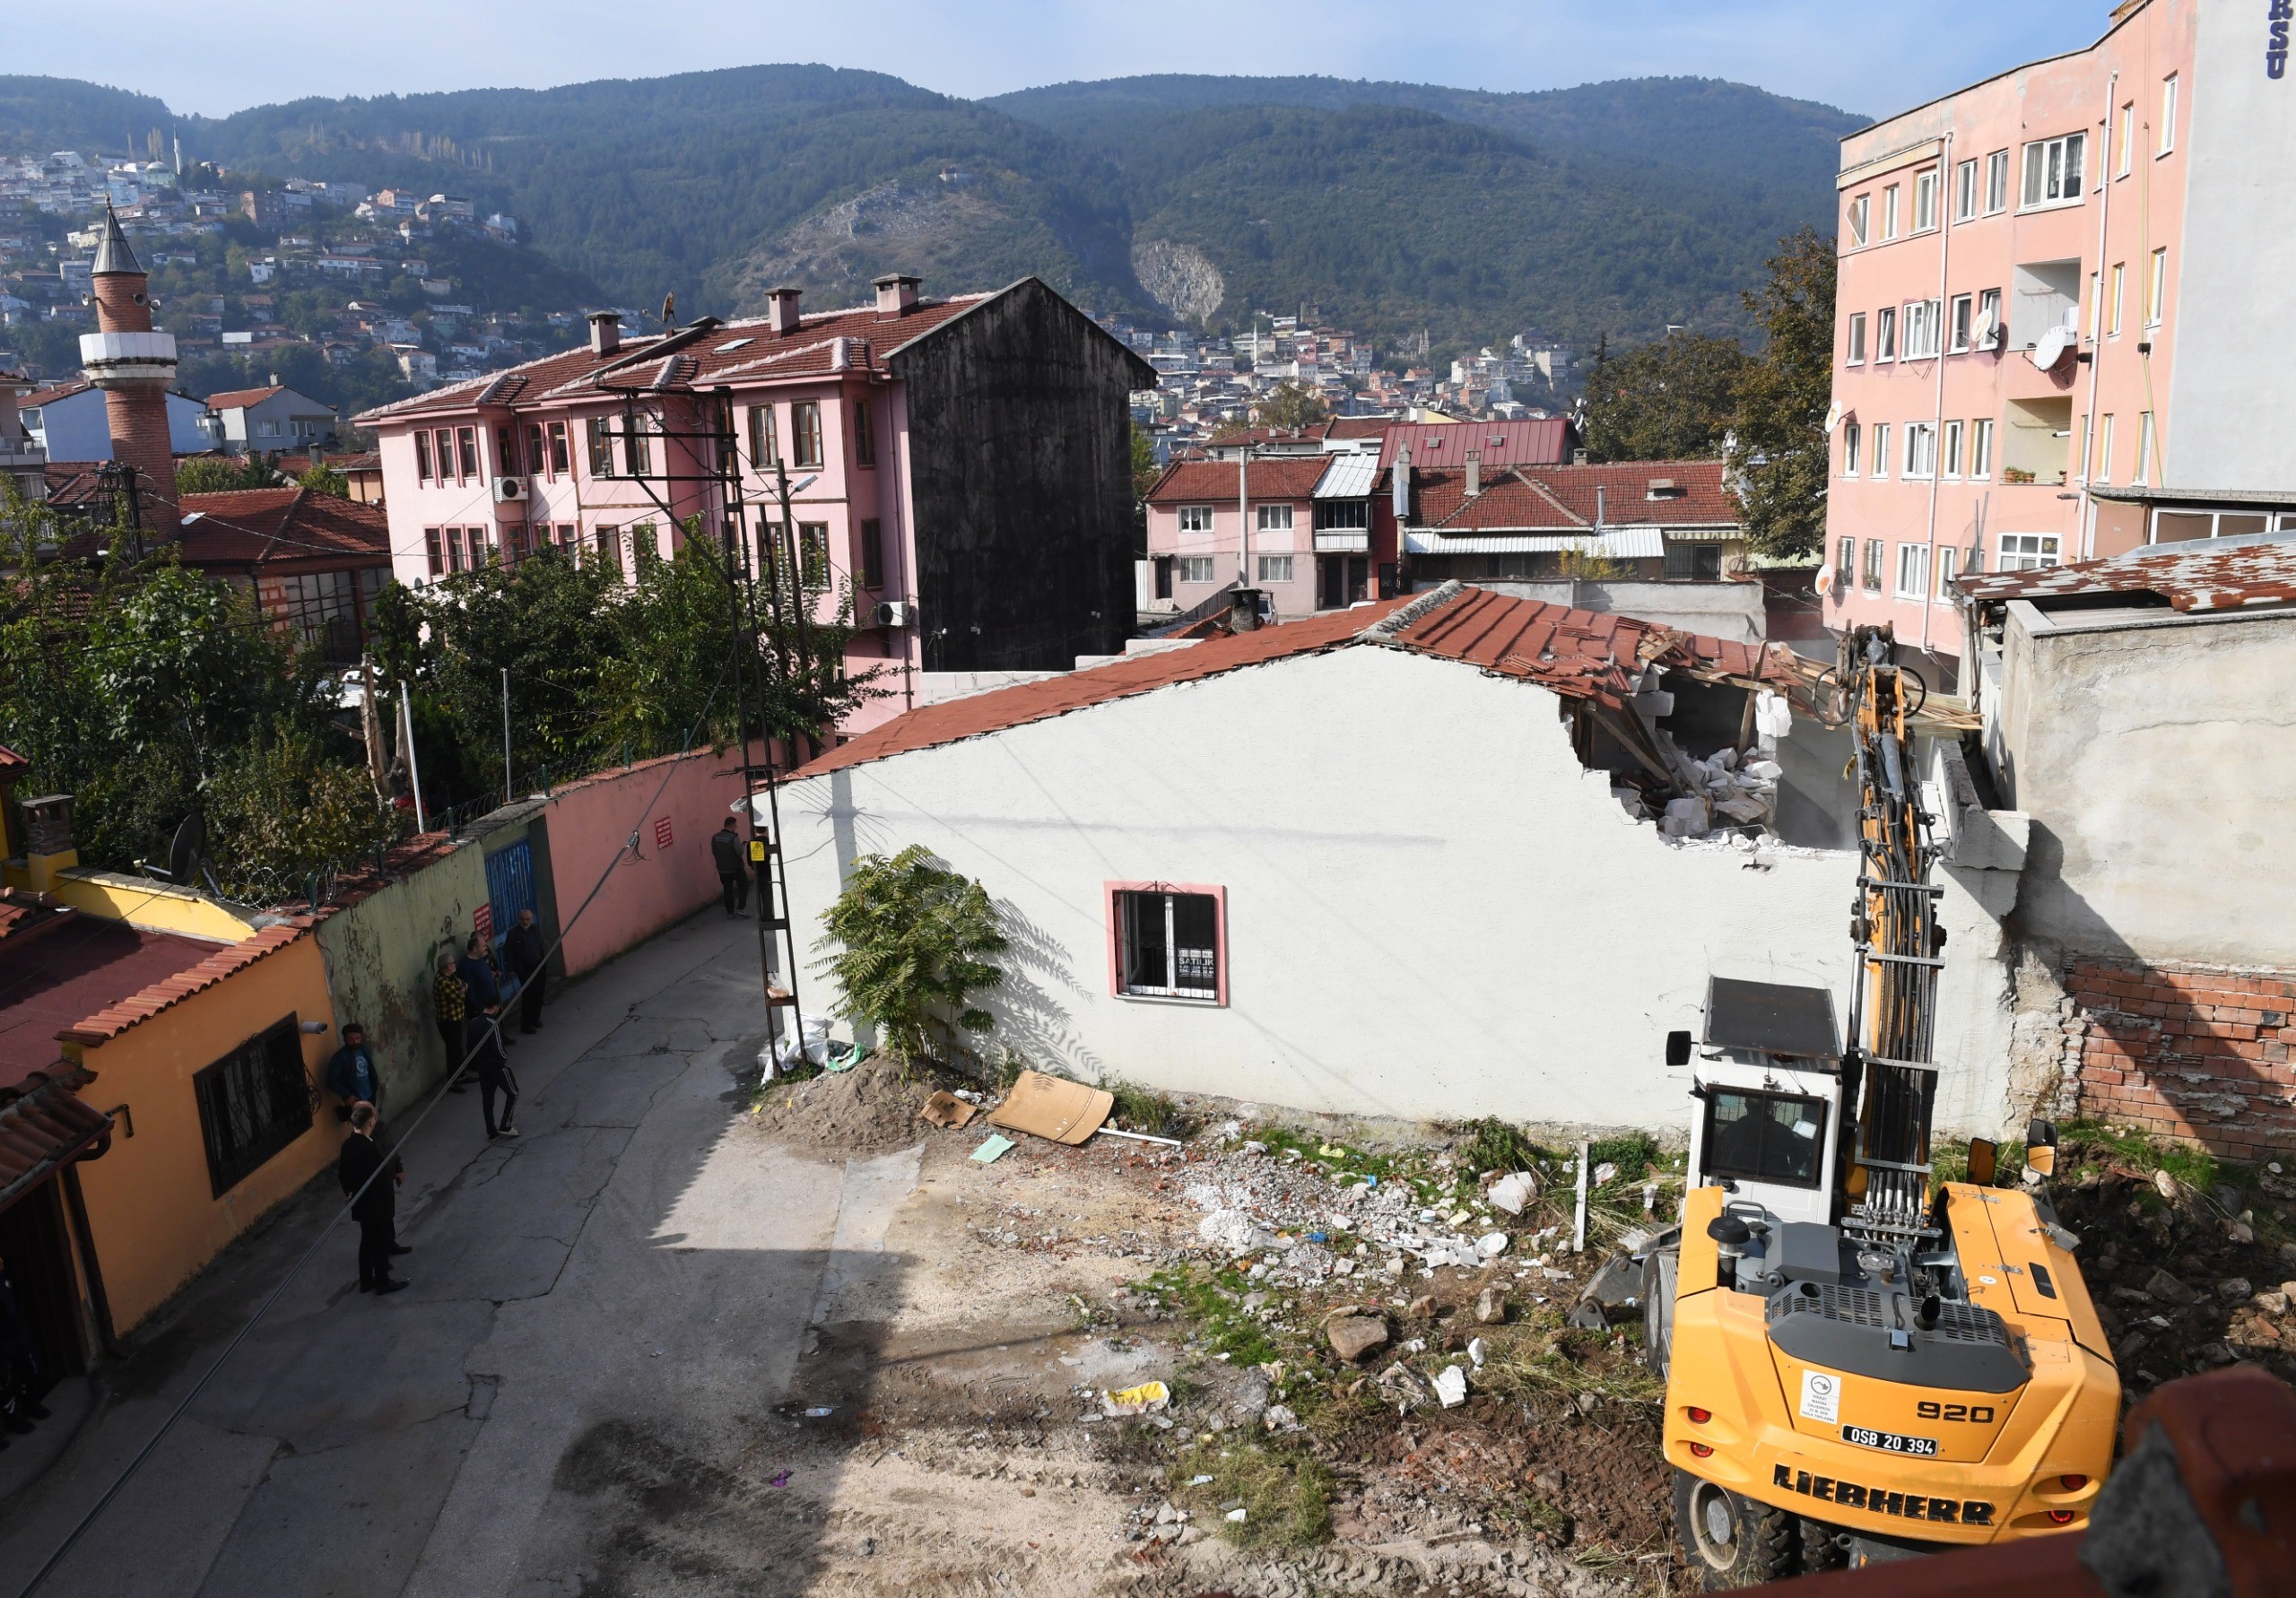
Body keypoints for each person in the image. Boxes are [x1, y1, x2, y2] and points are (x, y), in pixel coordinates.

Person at [338, 1103, 408, 1294]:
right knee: (380, 1241)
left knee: (367, 1241)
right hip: (375, 1204)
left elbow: (343, 1174)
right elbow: (378, 1179)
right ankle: (383, 1282)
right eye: (374, 1117)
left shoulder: (348, 1145)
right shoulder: (369, 1149)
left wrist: (349, 1192)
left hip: (362, 1204)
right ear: (370, 1122)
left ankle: (366, 1280)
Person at [0, 1253, 47, 1444]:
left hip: (18, 1330)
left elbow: (17, 1296)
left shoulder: (6, 1274)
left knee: (31, 1367)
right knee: (4, 1381)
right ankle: (13, 1419)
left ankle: (31, 1404)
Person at [470, 1007, 520, 1141]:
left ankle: (491, 1131)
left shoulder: (473, 1023)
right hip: (496, 1066)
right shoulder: (493, 1024)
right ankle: (506, 1125)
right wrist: (503, 1059)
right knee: (513, 1092)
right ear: (496, 1006)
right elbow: (499, 1048)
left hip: (482, 1066)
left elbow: (470, 1046)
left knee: (487, 1098)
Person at [459, 932, 514, 1049]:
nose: (486, 947)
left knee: (496, 1026)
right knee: (483, 1035)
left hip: (491, 1002)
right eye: (483, 945)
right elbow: (469, 990)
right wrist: (477, 1009)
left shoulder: (480, 959)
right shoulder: (466, 966)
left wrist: (492, 975)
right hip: (482, 1007)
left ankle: (500, 1043)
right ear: (475, 949)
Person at [326, 1023, 381, 1122]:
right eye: (351, 1039)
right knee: (362, 1124)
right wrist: (347, 1094)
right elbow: (331, 1080)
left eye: (357, 1038)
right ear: (345, 1039)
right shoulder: (340, 1057)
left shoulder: (365, 1049)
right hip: (355, 1099)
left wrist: (375, 1085)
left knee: (371, 1120)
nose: (355, 1041)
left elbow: (370, 1069)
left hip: (370, 1094)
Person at [505, 908, 547, 1035]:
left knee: (539, 993)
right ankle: (526, 1024)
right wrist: (511, 969)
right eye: (523, 919)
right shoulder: (513, 933)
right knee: (528, 995)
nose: (525, 922)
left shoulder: (535, 930)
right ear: (519, 919)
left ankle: (535, 1018)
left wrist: (544, 959)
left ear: (531, 919)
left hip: (538, 965)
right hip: (524, 969)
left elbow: (542, 944)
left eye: (528, 919)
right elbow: (508, 952)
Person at [434, 952, 469, 1093]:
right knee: (453, 1051)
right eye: (452, 963)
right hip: (448, 1021)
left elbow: (463, 984)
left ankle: (461, 1075)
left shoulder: (451, 977)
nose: (454, 965)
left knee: (458, 1049)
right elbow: (459, 998)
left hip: (456, 1018)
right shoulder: (442, 982)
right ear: (447, 966)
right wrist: (462, 990)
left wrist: (463, 989)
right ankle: (453, 1081)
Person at [711, 820, 750, 916]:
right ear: (732, 826)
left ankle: (730, 912)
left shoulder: (715, 837)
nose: (736, 827)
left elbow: (714, 852)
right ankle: (740, 908)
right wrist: (742, 846)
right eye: (735, 825)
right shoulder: (733, 838)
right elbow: (739, 852)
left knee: (727, 889)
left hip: (722, 869)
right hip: (736, 868)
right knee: (744, 885)